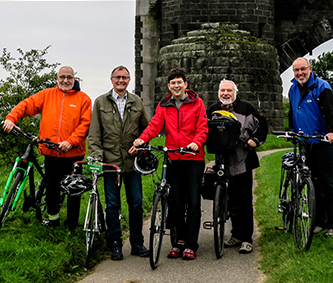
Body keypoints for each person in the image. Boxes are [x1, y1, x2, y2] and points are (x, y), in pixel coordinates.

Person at [131, 67, 208, 261]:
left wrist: (196, 143)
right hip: (173, 157)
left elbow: (202, 128)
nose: (176, 85)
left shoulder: (197, 103)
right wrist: (142, 140)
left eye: (179, 82)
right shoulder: (164, 105)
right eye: (173, 82)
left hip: (193, 158)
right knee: (175, 203)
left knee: (193, 203)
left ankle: (191, 244)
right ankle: (178, 242)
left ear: (185, 85)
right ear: (169, 86)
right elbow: (155, 125)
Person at [2, 66, 91, 230]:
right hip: (51, 151)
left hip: (73, 153)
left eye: (69, 77)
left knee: (74, 189)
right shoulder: (47, 95)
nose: (65, 80)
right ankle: (53, 220)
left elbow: (85, 125)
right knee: (51, 188)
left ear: (74, 79)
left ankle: (71, 225)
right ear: (57, 78)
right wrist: (11, 118)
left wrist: (71, 141)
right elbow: (27, 104)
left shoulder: (83, 99)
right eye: (62, 77)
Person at [88, 66, 150, 261]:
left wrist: (141, 147)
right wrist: (96, 157)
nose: (121, 80)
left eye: (124, 77)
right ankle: (114, 243)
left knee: (137, 204)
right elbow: (94, 134)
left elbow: (145, 130)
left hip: (132, 163)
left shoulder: (136, 101)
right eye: (118, 77)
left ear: (129, 80)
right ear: (111, 79)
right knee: (113, 204)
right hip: (110, 163)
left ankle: (137, 243)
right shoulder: (100, 102)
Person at [207, 79, 268, 254]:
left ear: (236, 92)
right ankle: (235, 234)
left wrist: (255, 140)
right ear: (218, 92)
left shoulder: (247, 108)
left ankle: (247, 238)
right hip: (222, 161)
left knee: (244, 201)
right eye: (222, 90)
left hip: (243, 160)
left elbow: (262, 126)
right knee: (230, 201)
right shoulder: (212, 110)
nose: (225, 93)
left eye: (229, 90)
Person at [288, 57, 333, 238]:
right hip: (304, 143)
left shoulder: (322, 86)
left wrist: (332, 131)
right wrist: (291, 131)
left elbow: (331, 111)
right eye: (296, 70)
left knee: (327, 183)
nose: (299, 73)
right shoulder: (293, 89)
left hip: (321, 143)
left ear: (310, 69)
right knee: (313, 184)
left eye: (302, 69)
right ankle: (320, 221)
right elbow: (292, 112)